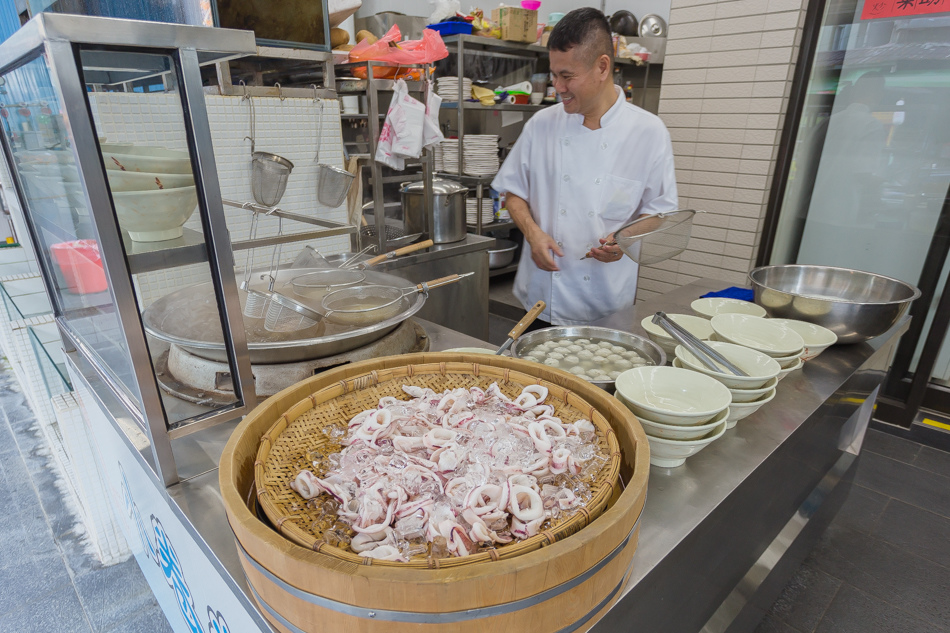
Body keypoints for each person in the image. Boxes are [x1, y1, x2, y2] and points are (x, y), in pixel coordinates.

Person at [491, 7, 677, 326]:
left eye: (567, 76)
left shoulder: (649, 132)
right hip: (540, 301)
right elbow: (512, 193)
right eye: (554, 74)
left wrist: (625, 238)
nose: (558, 87)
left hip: (606, 305)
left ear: (602, 67)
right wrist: (533, 234)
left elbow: (659, 210)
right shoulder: (541, 125)